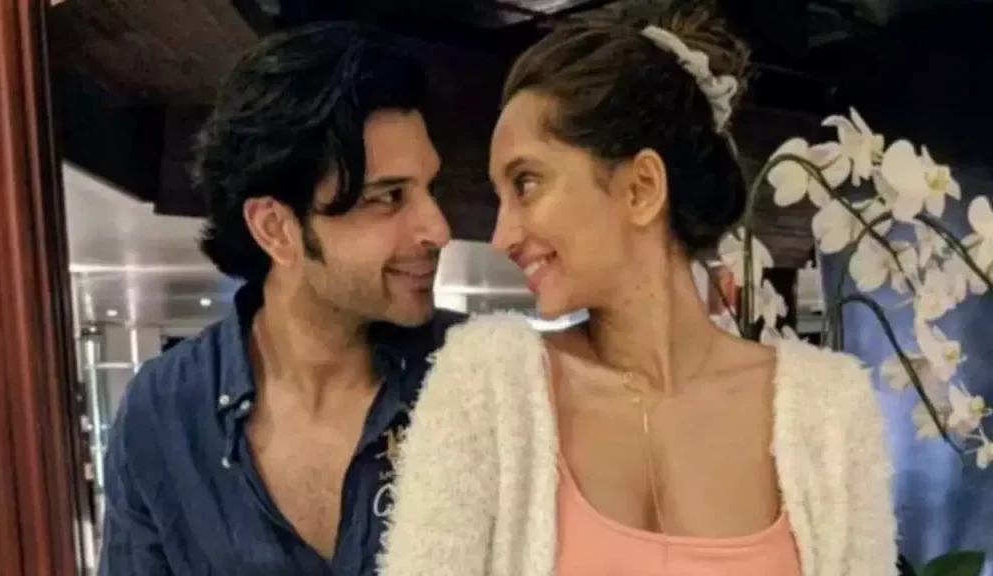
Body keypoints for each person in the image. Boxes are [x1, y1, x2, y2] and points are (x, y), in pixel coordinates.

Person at [379, 5, 897, 576]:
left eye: (526, 183)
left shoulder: (829, 410)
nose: (502, 237)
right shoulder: (488, 389)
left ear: (642, 189)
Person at [99, 22, 463, 575]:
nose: (437, 228)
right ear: (276, 228)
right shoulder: (164, 414)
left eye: (429, 188)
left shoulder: (474, 373)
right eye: (388, 197)